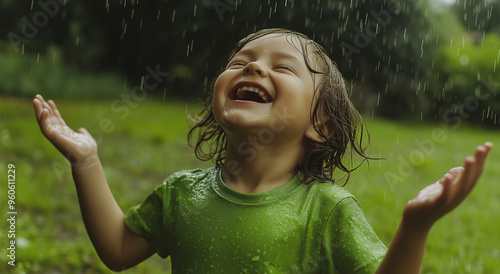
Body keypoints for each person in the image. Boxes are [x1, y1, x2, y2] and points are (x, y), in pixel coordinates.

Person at [33, 28, 492, 273]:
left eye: (283, 67)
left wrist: (415, 226)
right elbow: (117, 250)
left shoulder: (326, 210)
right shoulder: (181, 195)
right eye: (239, 62)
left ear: (320, 124)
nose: (252, 64)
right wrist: (86, 161)